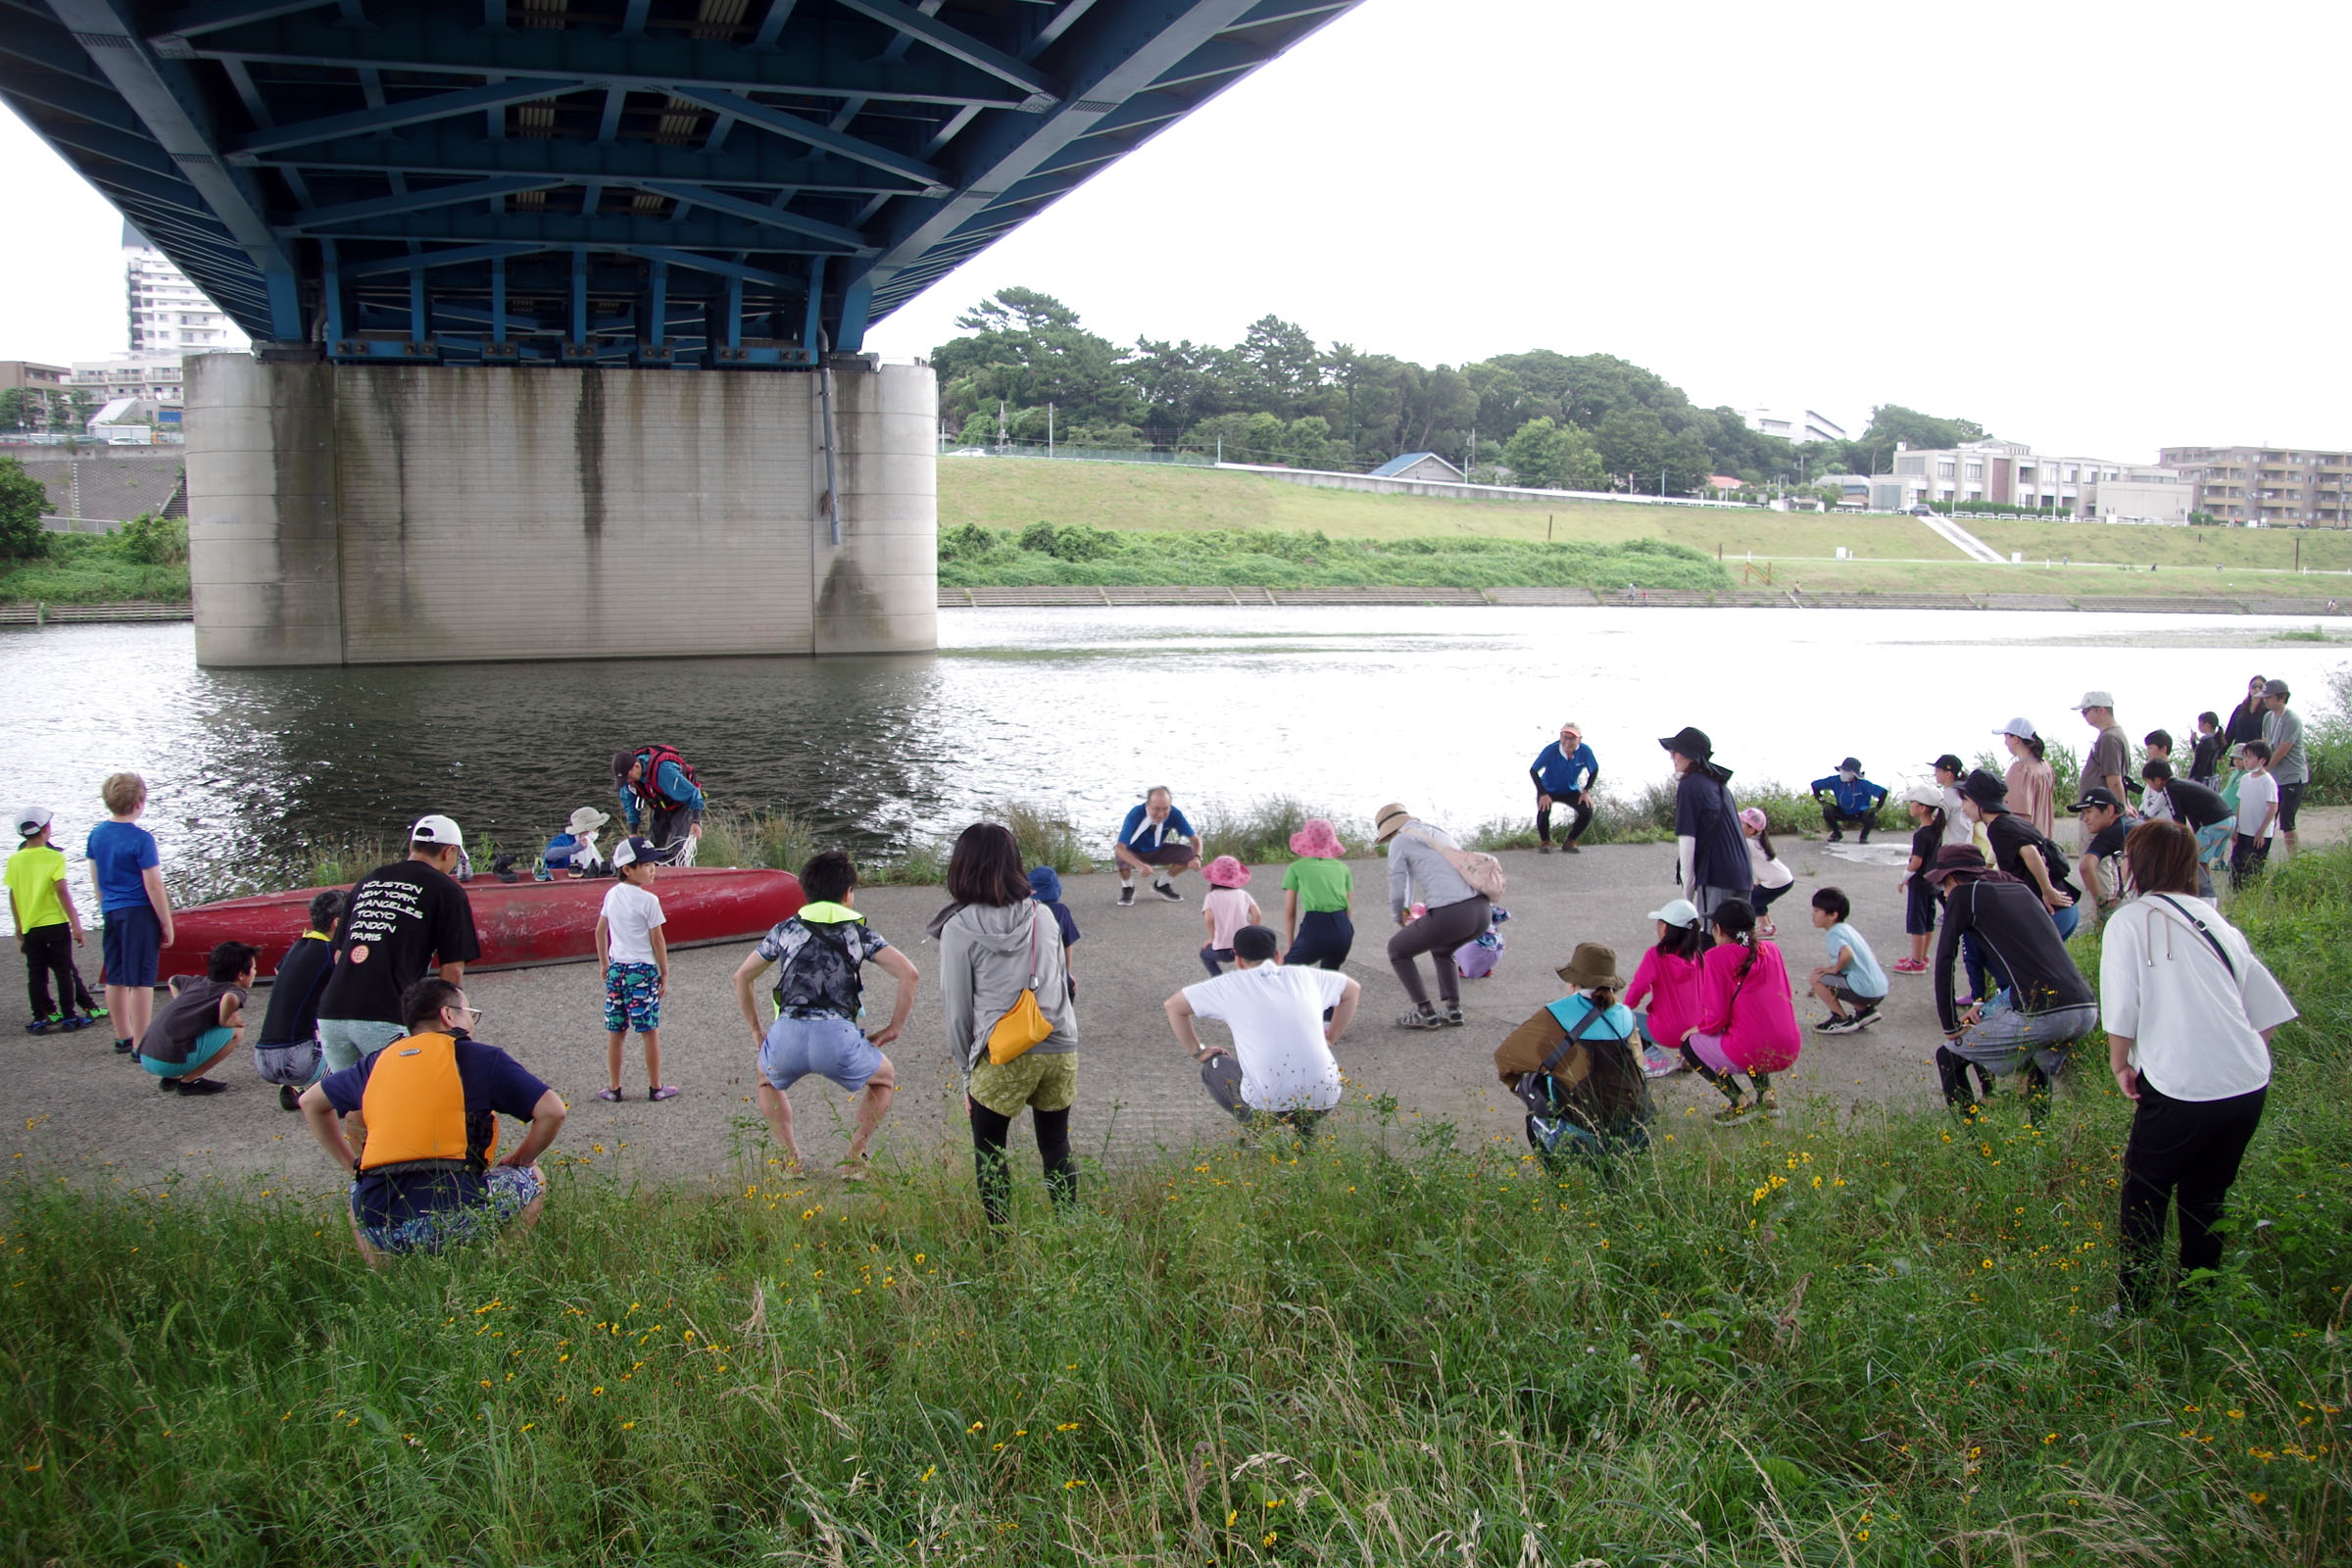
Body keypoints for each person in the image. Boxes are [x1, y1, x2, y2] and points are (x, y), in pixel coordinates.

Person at [2101, 820, 2297, 1314]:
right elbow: (2268, 1014)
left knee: (2144, 1192)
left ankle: (2135, 1306)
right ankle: (2197, 1302)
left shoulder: (2130, 919)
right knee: (2207, 1195)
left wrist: (2120, 1064)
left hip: (2182, 1086)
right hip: (2248, 1083)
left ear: (2138, 864)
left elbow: (2121, 1007)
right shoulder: (2216, 921)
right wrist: (2227, 1051)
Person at [298, 976, 566, 1262]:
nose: (472, 1023)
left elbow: (310, 1102)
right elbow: (553, 1111)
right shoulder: (481, 1057)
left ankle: (383, 1281)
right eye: (469, 1013)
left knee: (360, 1190)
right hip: (454, 1217)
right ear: (448, 1015)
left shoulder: (376, 1062)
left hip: (382, 1225)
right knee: (533, 1178)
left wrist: (352, 1165)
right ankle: (498, 1267)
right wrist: (520, 1158)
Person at [732, 850, 916, 1177]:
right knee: (884, 1078)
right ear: (847, 894)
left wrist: (755, 1030)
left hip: (786, 1032)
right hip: (838, 1037)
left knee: (766, 1079)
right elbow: (909, 974)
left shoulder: (785, 930)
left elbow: (742, 977)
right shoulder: (858, 933)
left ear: (807, 891)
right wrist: (894, 1027)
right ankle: (854, 1158)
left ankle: (791, 1162)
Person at [933, 823, 1078, 1226]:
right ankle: (1069, 1228)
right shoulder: (1044, 914)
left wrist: (967, 1075)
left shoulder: (959, 928)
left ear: (961, 867)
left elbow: (958, 1011)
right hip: (1059, 1044)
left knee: (990, 1152)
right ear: (1015, 865)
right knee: (1055, 1145)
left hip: (1004, 1054)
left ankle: (1000, 1244)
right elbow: (1061, 987)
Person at [1924, 845, 2098, 1124]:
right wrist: (1986, 1010)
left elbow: (1945, 960)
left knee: (1948, 1056)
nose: (1944, 893)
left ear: (1953, 878)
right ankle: (2038, 1135)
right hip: (2085, 1009)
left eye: (1943, 885)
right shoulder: (2020, 890)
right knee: (2038, 1053)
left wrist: (1951, 1027)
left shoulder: (1963, 896)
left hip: (2045, 1013)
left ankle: (1972, 1141)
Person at [315, 815, 481, 1073]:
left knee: (355, 1103)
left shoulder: (368, 882)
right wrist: (447, 1021)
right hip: (386, 1014)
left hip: (331, 1013)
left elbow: (339, 957)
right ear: (449, 851)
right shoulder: (446, 891)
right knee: (404, 1098)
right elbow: (452, 970)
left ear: (412, 846)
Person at [1166, 924, 1358, 1141]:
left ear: (1238, 960)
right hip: (1324, 1099)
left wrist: (1198, 1051)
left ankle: (1258, 1133)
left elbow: (1174, 1006)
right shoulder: (1306, 976)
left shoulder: (1228, 984)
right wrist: (1331, 1037)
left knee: (1213, 1067)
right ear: (1276, 956)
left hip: (1267, 1104)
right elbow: (1352, 990)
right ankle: (1306, 1134)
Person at [1494, 942, 1652, 1162]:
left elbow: (1506, 1058)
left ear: (1573, 982)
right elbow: (1639, 1066)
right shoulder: (1625, 1015)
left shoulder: (1556, 1014)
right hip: (1633, 1134)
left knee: (1536, 1111)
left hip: (1581, 1137)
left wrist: (1525, 1087)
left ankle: (1561, 1183)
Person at [1678, 899, 1800, 1124]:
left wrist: (1697, 1028)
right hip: (1788, 1047)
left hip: (1750, 1049)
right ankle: (1767, 1096)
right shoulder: (1772, 950)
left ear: (1718, 929)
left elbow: (1716, 1018)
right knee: (1752, 1029)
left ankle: (1740, 1103)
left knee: (1688, 1045)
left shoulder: (1716, 957)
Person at [1373, 803, 1489, 1030]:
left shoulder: (1401, 841)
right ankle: (1453, 1009)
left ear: (1389, 831)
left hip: (1453, 913)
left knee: (1397, 950)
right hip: (1481, 910)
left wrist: (1399, 915)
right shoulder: (1437, 832)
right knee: (1442, 949)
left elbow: (1399, 883)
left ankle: (1424, 1012)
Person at [87, 772, 173, 1058]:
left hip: (111, 909)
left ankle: (122, 1035)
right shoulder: (142, 839)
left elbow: (95, 876)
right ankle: (141, 1042)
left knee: (116, 975)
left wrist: (104, 904)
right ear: (139, 802)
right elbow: (153, 884)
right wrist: (166, 921)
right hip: (138, 912)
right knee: (141, 979)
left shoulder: (97, 834)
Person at [595, 836, 674, 1102]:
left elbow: (599, 931)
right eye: (646, 864)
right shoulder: (649, 901)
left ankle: (614, 1088)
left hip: (617, 968)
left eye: (653, 864)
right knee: (649, 1030)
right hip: (642, 970)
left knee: (616, 1031)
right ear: (627, 869)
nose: (653, 869)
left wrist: (604, 961)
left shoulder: (611, 894)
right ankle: (656, 1086)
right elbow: (658, 939)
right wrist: (664, 971)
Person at [1957, 769, 2081, 939]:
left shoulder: (1998, 828)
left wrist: (2047, 890)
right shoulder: (2012, 821)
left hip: (2052, 910)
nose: (1962, 807)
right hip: (2066, 909)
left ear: (1981, 802)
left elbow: (2029, 851)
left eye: (1966, 800)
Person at [254, 889, 346, 1111]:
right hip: (298, 1060)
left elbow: (279, 970)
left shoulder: (299, 946)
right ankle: (336, 1098)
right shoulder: (331, 953)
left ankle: (297, 1088)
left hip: (263, 1058)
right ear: (337, 923)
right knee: (361, 1045)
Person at [9, 807, 96, 1035]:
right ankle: (69, 1016)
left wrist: (18, 925)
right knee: (63, 970)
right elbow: (62, 891)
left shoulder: (15, 861)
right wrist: (76, 924)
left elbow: (13, 894)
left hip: (30, 924)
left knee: (35, 973)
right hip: (55, 923)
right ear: (46, 829)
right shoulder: (55, 857)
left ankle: (39, 1018)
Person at [135, 940, 256, 1096]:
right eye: (253, 968)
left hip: (146, 1055)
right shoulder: (232, 989)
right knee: (237, 1031)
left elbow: (173, 980)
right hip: (167, 1062)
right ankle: (191, 1081)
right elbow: (230, 998)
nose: (255, 971)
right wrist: (225, 1020)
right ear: (240, 974)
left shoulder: (197, 982)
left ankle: (172, 1077)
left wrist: (184, 1007)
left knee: (194, 1033)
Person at [1662, 727, 1748, 919]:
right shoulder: (1717, 782)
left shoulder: (1690, 785)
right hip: (1742, 872)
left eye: (1675, 751)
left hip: (1716, 875)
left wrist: (1687, 895)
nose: (1672, 757)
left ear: (1688, 754)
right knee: (1739, 941)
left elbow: (1687, 841)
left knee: (1711, 940)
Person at [1625, 899, 1704, 1078]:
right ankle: (1687, 1054)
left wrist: (1625, 1008)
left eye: (1660, 922)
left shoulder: (1656, 955)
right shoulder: (1698, 955)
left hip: (1667, 1031)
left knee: (1625, 1021)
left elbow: (1639, 987)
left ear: (1667, 929)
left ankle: (1654, 1059)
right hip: (1696, 1030)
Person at [2140, 760, 2230, 898]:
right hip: (2226, 819)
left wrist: (2178, 841)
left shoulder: (2170, 789)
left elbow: (2178, 818)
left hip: (2217, 822)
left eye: (2149, 783)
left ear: (2157, 780)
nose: (2150, 787)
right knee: (2200, 858)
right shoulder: (2179, 785)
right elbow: (2192, 815)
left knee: (2194, 858)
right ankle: (2203, 890)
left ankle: (2202, 893)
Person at [1807, 887, 1887, 1033]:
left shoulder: (1834, 934)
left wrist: (1833, 969)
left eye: (1817, 911)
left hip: (1864, 991)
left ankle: (1841, 1019)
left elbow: (1847, 954)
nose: (1813, 915)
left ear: (1833, 915)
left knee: (1816, 978)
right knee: (1846, 978)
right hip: (1879, 988)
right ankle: (1864, 1012)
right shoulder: (1848, 929)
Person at [1280, 818, 1353, 972]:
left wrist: (1290, 945)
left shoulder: (1296, 868)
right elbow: (1348, 908)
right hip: (1342, 929)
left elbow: (1289, 911)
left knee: (1286, 972)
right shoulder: (1343, 869)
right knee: (1328, 979)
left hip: (1315, 927)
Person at [1112, 787, 1200, 906]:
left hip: (1157, 850)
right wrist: (1139, 865)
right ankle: (1128, 888)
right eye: (1156, 809)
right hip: (1134, 852)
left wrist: (1197, 858)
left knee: (1189, 854)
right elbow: (1119, 847)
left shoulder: (1175, 814)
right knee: (1120, 855)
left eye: (1165, 808)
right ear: (1148, 805)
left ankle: (1162, 884)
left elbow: (1196, 840)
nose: (1161, 814)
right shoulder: (1135, 814)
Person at [612, 746, 705, 858]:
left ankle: (678, 867)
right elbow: (630, 806)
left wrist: (696, 821)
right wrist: (633, 831)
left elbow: (694, 794)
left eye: (628, 777)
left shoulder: (665, 771)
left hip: (683, 805)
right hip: (660, 806)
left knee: (678, 847)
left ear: (636, 766)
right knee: (652, 848)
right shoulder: (627, 781)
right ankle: (654, 870)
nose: (628, 781)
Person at [1893, 783, 1944, 975]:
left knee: (1916, 923)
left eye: (1912, 803)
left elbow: (1916, 862)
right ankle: (1922, 957)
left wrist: (1903, 877)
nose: (1910, 806)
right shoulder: (1937, 829)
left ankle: (1916, 962)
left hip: (1919, 882)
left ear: (1922, 808)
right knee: (1928, 921)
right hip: (1932, 882)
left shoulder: (1922, 834)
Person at [1529, 721, 1598, 854]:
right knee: (1544, 811)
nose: (1567, 741)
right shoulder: (1551, 750)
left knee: (1587, 811)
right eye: (1564, 737)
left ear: (1579, 739)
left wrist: (1586, 791)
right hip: (1548, 789)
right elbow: (1533, 771)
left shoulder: (1585, 751)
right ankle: (1545, 842)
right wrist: (1543, 793)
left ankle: (1570, 841)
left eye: (1572, 738)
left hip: (1570, 790)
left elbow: (1594, 770)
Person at [2070, 787, 2135, 921]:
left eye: (2089, 812)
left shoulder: (2111, 833)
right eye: (2083, 813)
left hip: (2147, 893)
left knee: (2111, 917)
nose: (2085, 819)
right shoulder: (2131, 822)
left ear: (2110, 810)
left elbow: (2086, 866)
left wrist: (2103, 905)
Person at [2258, 678, 2306, 859]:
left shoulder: (2291, 719)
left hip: (2292, 777)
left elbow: (2282, 750)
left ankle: (2295, 860)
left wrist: (2264, 769)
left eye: (2269, 697)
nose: (2265, 701)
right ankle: (2261, 856)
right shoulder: (2268, 717)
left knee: (2287, 822)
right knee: (2268, 817)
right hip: (2274, 777)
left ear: (2281, 697)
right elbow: (2265, 743)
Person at [1198, 856, 1260, 977]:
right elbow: (1257, 914)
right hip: (1243, 948)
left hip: (1223, 951)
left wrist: (1212, 938)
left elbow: (1209, 918)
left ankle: (1219, 979)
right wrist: (1251, 932)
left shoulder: (1211, 896)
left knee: (1204, 955)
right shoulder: (1243, 894)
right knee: (1247, 966)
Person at [1736, 808, 1793, 936]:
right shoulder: (1758, 840)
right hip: (1783, 878)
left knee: (1753, 901)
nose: (1738, 825)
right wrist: (1758, 881)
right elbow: (1763, 867)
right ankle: (1769, 927)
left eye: (1741, 824)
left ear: (1751, 830)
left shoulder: (1748, 843)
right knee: (1759, 899)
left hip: (1777, 881)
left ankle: (1766, 928)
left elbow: (1744, 866)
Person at [2230, 740, 2278, 890]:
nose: (2245, 761)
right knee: (2237, 864)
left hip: (2259, 834)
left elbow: (2273, 807)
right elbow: (2241, 803)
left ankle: (2252, 897)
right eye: (2244, 758)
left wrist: (2261, 831)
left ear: (2262, 760)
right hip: (2244, 830)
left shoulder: (2268, 781)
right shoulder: (2245, 779)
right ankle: (2237, 895)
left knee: (2254, 868)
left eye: (2249, 758)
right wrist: (2235, 827)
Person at [1995, 718, 2056, 839]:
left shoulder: (2021, 769)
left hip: (2027, 843)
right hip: (2044, 839)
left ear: (2015, 739)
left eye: (2006, 738)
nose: (2005, 743)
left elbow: (2019, 815)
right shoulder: (2045, 766)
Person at [1027, 866, 1081, 1003]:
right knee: (1069, 989)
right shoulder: (1061, 911)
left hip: (1027, 975)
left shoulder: (1023, 910)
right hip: (1053, 974)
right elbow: (1067, 944)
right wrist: (1067, 975)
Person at [1808, 757, 1888, 843]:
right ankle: (1837, 833)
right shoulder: (1835, 781)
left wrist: (1877, 808)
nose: (1845, 774)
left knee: (1872, 815)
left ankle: (1863, 837)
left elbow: (1883, 792)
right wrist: (1822, 801)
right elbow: (1815, 785)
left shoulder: (1864, 784)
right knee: (1827, 810)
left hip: (1860, 813)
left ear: (1854, 774)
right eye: (1843, 771)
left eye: (1848, 772)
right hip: (1842, 812)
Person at [2076, 692, 2131, 810]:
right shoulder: (2113, 735)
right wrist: (2126, 802)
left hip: (2100, 813)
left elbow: (2114, 779)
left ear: (2101, 710)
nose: (2084, 716)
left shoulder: (2109, 738)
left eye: (2086, 711)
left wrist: (2122, 808)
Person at [540, 807, 609, 879]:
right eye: (598, 828)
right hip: (561, 882)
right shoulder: (565, 839)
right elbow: (549, 855)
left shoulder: (589, 844)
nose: (598, 832)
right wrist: (574, 849)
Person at [1928, 755, 1975, 846]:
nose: (1935, 774)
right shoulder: (1963, 793)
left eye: (1938, 771)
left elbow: (1938, 825)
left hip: (1953, 848)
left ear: (1948, 774)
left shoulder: (1947, 796)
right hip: (1967, 844)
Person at [2222, 674, 2268, 751]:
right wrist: (2220, 753)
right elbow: (2229, 733)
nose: (2257, 689)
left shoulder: (2268, 712)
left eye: (2260, 687)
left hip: (2257, 754)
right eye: (2254, 686)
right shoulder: (2240, 709)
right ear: (2249, 688)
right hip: (2238, 754)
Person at [2137, 731, 2175, 816]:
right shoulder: (2153, 769)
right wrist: (2142, 811)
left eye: (2151, 748)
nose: (2148, 752)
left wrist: (2149, 815)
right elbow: (2146, 795)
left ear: (2163, 749)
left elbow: (2163, 797)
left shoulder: (2171, 770)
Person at [2188, 711, 2225, 786]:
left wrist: (2196, 781)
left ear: (2207, 725)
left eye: (2200, 723)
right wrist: (2193, 741)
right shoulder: (2214, 740)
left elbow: (2202, 764)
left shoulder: (2207, 742)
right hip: (2210, 780)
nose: (2198, 726)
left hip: (2204, 781)